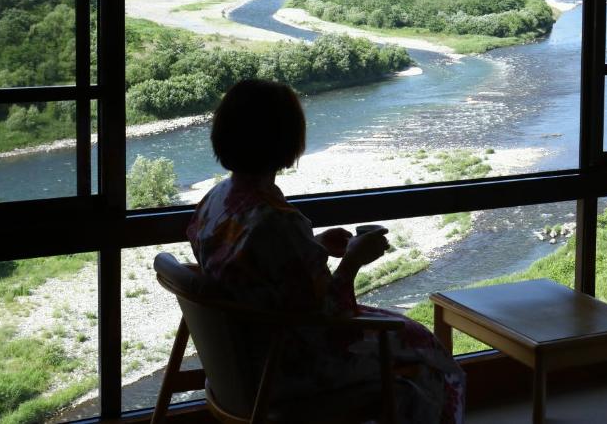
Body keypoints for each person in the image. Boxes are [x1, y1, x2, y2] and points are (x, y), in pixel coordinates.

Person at [187, 78, 464, 423]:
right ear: (285, 140)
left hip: (237, 364)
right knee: (426, 359)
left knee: (405, 333)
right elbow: (332, 319)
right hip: (286, 370)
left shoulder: (215, 201)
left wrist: (312, 247)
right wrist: (353, 260)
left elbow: (248, 269)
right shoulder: (277, 221)